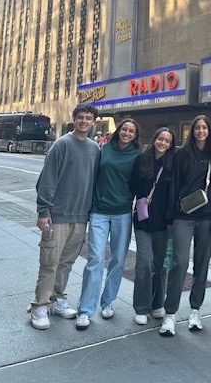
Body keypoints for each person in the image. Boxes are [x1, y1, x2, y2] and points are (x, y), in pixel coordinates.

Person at [29, 104, 100, 330]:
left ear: (93, 122)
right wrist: (43, 211)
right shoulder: (61, 145)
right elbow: (46, 180)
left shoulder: (95, 148)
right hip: (57, 216)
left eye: (88, 118)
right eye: (81, 118)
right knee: (49, 262)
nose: (84, 121)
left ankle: (57, 299)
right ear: (74, 119)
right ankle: (40, 306)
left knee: (66, 263)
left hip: (80, 217)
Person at [159, 114, 211, 337]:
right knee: (179, 262)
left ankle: (196, 309)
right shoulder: (180, 154)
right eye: (197, 128)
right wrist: (169, 216)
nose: (201, 131)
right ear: (192, 131)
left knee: (202, 265)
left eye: (205, 127)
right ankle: (170, 313)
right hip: (182, 215)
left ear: (209, 130)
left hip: (207, 217)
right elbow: (172, 185)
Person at [75, 119, 140, 329]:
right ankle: (85, 309)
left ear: (135, 135)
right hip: (100, 212)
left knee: (118, 260)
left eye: (131, 131)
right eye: (124, 129)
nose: (127, 133)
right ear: (118, 130)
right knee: (95, 259)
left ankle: (107, 302)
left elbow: (141, 182)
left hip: (122, 213)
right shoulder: (103, 149)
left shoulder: (137, 156)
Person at [131, 127, 176, 325]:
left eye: (167, 141)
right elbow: (132, 185)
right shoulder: (142, 159)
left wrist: (171, 219)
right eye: (160, 139)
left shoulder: (173, 163)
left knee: (161, 265)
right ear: (154, 139)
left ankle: (157, 303)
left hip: (163, 222)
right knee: (144, 263)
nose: (163, 143)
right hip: (143, 220)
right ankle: (141, 307)